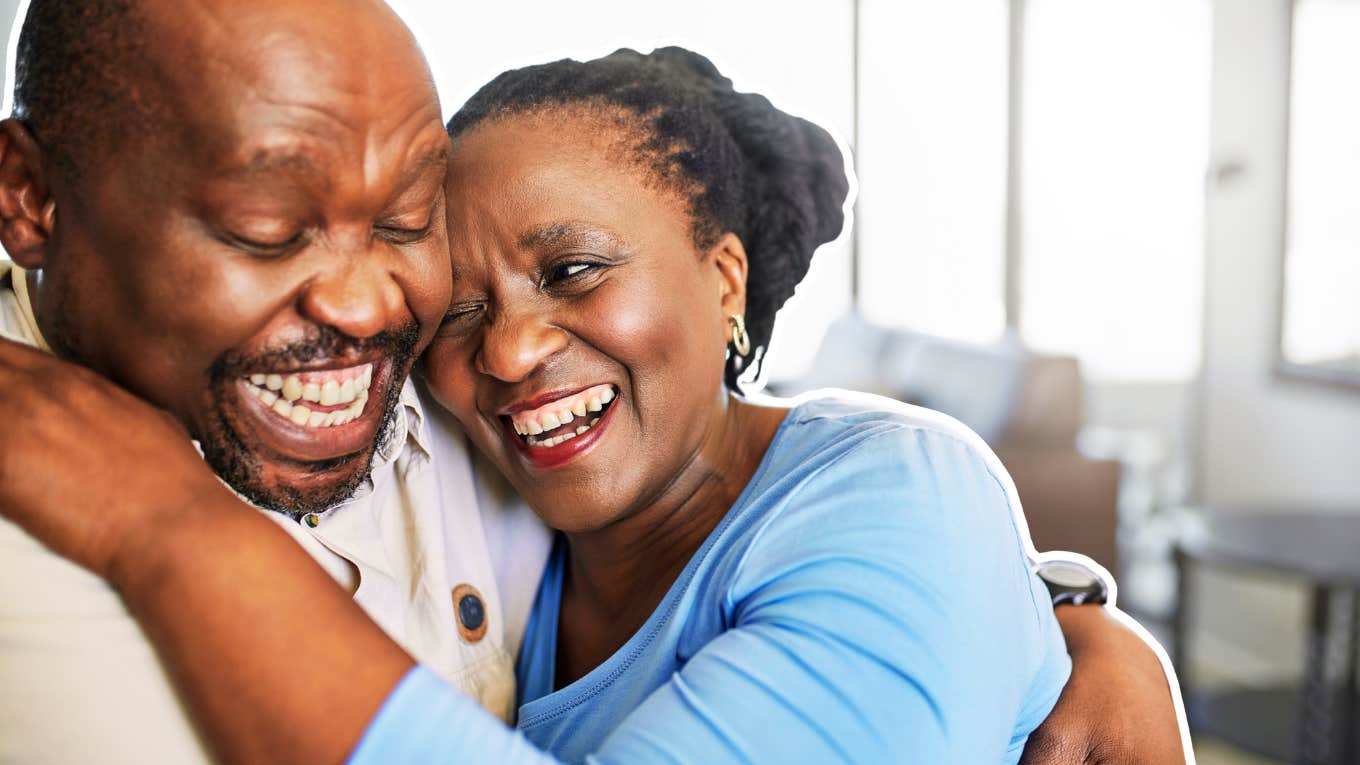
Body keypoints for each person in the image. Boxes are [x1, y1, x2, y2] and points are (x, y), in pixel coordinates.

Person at [0, 44, 1189, 763]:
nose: (511, 351)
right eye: (456, 310)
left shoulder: (902, 486)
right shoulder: (527, 528)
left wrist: (164, 524)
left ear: (722, 278)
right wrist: (1051, 609)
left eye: (574, 273)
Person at [0, 0, 547, 760]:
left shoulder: (481, 392)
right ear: (31, 194)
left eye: (409, 218)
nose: (364, 306)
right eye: (267, 231)